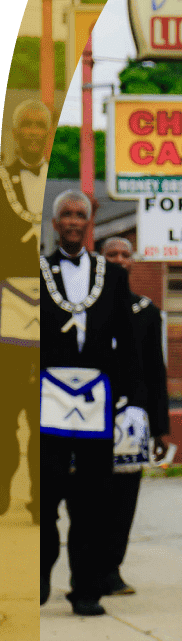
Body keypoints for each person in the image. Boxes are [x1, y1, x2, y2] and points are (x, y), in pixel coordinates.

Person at [40, 191, 147, 615]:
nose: (72, 221)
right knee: (44, 497)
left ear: (89, 224)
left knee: (92, 500)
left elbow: (130, 345)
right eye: (65, 214)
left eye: (79, 215)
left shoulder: (113, 276)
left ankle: (85, 589)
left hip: (96, 403)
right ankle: (38, 570)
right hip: (45, 401)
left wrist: (134, 400)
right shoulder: (36, 272)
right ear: (54, 223)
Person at [100, 236, 170, 596]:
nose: (118, 260)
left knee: (124, 499)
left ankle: (111, 570)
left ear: (133, 261)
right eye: (111, 254)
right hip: (91, 415)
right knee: (90, 497)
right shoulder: (88, 308)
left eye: (125, 255)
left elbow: (156, 372)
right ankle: (89, 569)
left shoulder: (147, 311)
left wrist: (160, 430)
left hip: (133, 421)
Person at [0, 99, 50, 521]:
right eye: (26, 125)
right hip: (6, 312)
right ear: (16, 134)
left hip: (51, 313)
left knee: (43, 415)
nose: (33, 131)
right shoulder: (1, 180)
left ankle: (40, 499)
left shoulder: (59, 186)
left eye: (40, 125)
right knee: (6, 412)